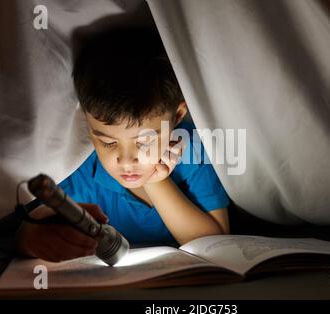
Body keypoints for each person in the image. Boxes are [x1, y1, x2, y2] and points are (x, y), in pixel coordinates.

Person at [15, 28, 230, 262]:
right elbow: (23, 233)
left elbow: (215, 244)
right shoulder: (80, 169)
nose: (126, 160)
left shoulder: (192, 151)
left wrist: (156, 181)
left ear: (177, 116)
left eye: (144, 141)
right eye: (107, 142)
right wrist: (30, 237)